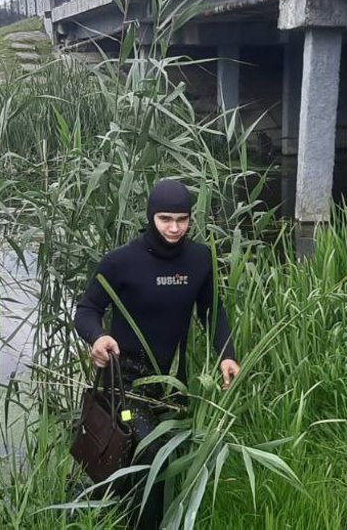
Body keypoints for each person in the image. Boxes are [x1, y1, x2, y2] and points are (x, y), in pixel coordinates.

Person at [73, 179, 241, 529]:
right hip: (125, 380)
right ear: (151, 217)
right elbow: (86, 310)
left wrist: (227, 355)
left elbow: (212, 312)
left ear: (191, 220)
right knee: (151, 453)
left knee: (160, 453)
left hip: (170, 382)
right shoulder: (120, 261)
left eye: (182, 219)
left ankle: (120, 508)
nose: (174, 227)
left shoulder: (199, 260)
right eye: (165, 218)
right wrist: (99, 337)